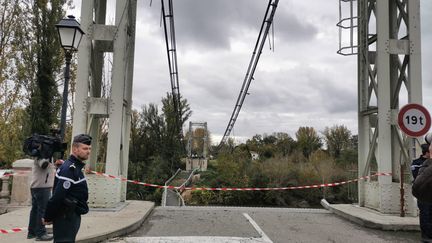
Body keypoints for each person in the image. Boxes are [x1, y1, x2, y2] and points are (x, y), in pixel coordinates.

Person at [43, 134, 92, 242]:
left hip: (70, 215)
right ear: (75, 149)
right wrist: (48, 216)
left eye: (89, 148)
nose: (88, 151)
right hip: (66, 217)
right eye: (85, 148)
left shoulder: (73, 167)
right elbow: (57, 197)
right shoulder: (69, 170)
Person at [27, 158, 56, 241]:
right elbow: (44, 165)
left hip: (37, 186)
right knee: (42, 210)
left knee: (35, 210)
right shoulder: (41, 155)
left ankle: (32, 232)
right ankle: (41, 234)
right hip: (42, 187)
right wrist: (49, 156)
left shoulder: (40, 154)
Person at [411, 143, 432, 242]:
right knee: (425, 214)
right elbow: (417, 177)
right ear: (427, 152)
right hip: (424, 193)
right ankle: (426, 236)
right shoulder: (417, 163)